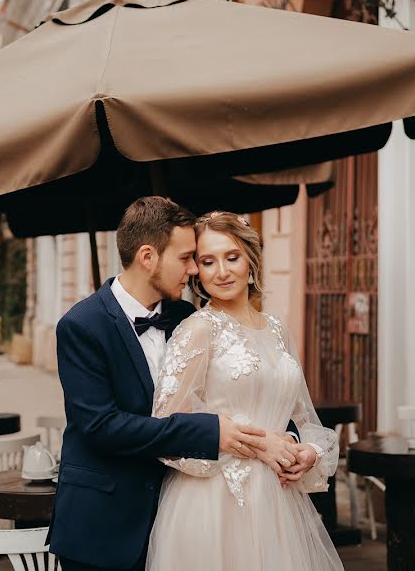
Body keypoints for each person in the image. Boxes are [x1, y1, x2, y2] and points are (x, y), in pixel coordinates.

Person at [48, 197, 301, 571]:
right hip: (104, 522)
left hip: (180, 515)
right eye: (186, 258)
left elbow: (234, 390)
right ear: (148, 257)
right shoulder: (82, 325)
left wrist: (285, 437)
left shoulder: (188, 316)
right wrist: (210, 432)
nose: (194, 270)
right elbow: (102, 427)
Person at [146, 211, 341, 571]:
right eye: (208, 261)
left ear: (251, 261)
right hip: (215, 503)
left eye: (231, 257)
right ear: (198, 274)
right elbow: (167, 429)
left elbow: (303, 418)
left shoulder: (278, 330)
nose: (221, 271)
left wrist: (308, 453)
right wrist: (258, 445)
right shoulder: (197, 330)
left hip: (279, 504)